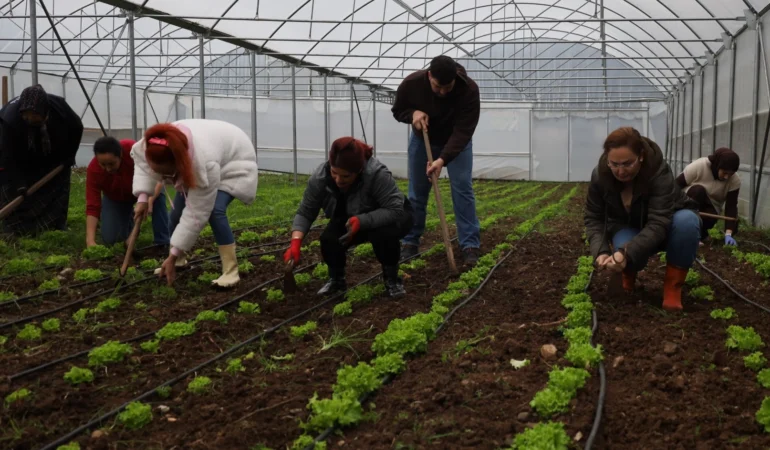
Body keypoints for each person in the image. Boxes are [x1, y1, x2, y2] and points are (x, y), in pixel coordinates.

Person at [584, 127, 701, 311]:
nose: (620, 171)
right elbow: (594, 217)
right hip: (628, 225)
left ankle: (673, 288)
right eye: (614, 164)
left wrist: (626, 252)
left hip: (668, 226)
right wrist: (601, 251)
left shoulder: (658, 173)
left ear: (641, 156)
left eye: (627, 163)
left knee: (687, 222)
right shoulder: (600, 176)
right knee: (628, 256)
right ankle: (627, 274)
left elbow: (659, 221)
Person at [131, 119, 258, 288]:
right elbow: (144, 167)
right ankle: (179, 260)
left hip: (234, 161)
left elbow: (197, 212)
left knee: (214, 210)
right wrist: (142, 198)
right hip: (209, 153)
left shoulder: (204, 163)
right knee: (176, 214)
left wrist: (172, 254)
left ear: (179, 164)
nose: (162, 177)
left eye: (166, 173)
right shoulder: (151, 145)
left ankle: (231, 271)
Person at [285, 137, 413, 298]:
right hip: (349, 217)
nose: (338, 180)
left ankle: (392, 279)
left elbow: (395, 209)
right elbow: (306, 212)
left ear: (359, 171)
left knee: (384, 234)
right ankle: (337, 280)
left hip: (390, 215)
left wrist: (362, 221)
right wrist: (295, 242)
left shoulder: (375, 174)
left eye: (346, 176)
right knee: (329, 239)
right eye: (334, 173)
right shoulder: (320, 177)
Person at [392, 55, 481, 265]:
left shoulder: (468, 90)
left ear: (456, 79)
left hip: (457, 144)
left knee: (462, 189)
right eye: (437, 87)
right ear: (429, 75)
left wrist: (442, 160)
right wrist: (413, 113)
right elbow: (398, 111)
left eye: (447, 87)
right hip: (423, 141)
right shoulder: (412, 84)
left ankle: (469, 245)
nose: (442, 92)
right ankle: (410, 242)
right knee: (417, 192)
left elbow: (463, 131)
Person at [0, 84, 83, 234]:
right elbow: (8, 156)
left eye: (34, 116)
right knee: (13, 187)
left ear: (45, 111)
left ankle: (55, 224)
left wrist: (69, 156)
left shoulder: (60, 109)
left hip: (54, 155)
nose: (30, 119)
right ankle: (13, 227)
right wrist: (19, 183)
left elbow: (77, 127)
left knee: (58, 185)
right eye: (27, 117)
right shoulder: (10, 121)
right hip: (21, 157)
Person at [85, 136, 170, 248]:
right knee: (112, 239)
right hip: (116, 197)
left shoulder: (133, 150)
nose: (108, 169)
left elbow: (157, 173)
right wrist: (90, 241)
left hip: (146, 189)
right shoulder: (93, 170)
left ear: (120, 155)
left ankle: (162, 241)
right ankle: (130, 226)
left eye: (111, 164)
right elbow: (92, 206)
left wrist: (149, 199)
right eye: (103, 165)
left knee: (157, 197)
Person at [676, 148, 741, 246]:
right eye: (725, 173)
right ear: (717, 165)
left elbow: (731, 206)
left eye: (730, 174)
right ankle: (685, 230)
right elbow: (676, 185)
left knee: (712, 214)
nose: (727, 177)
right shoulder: (699, 166)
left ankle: (700, 235)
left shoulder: (734, 181)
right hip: (688, 201)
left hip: (711, 206)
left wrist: (729, 233)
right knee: (698, 191)